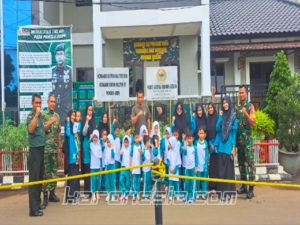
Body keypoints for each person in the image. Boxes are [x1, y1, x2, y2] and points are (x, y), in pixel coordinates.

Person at [27, 93, 46, 217]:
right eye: (36, 103)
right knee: (34, 181)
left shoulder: (38, 117)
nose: (38, 105)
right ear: (32, 104)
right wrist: (37, 114)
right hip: (34, 152)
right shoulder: (32, 116)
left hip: (41, 151)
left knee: (39, 180)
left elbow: (41, 130)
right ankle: (33, 210)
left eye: (40, 102)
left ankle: (37, 204)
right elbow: (31, 129)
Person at [235, 86, 256, 199]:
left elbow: (253, 123)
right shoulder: (238, 108)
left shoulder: (250, 107)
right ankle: (244, 187)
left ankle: (251, 189)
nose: (241, 94)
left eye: (242, 92)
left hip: (248, 143)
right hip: (239, 143)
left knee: (250, 166)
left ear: (246, 94)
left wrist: (246, 114)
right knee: (242, 165)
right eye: (240, 93)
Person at [215, 96, 237, 202]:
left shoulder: (233, 118)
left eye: (226, 102)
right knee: (221, 172)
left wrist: (233, 148)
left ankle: (228, 193)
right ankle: (221, 193)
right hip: (221, 148)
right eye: (223, 103)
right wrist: (220, 117)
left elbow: (233, 134)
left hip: (228, 148)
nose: (225, 105)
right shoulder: (222, 116)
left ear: (229, 103)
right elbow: (217, 129)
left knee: (228, 172)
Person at [41, 94, 61, 208]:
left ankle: (52, 194)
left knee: (54, 171)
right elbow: (42, 129)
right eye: (51, 101)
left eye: (54, 102)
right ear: (48, 102)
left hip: (54, 149)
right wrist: (51, 121)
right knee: (45, 173)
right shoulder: (43, 115)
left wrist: (59, 147)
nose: (53, 103)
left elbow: (58, 132)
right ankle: (44, 197)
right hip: (46, 149)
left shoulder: (57, 116)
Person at [51, 43, 72, 125]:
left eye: (61, 54)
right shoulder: (51, 71)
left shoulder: (70, 71)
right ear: (55, 56)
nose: (59, 57)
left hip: (66, 108)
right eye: (57, 54)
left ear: (65, 55)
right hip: (54, 108)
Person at [64, 110, 80, 203]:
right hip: (70, 158)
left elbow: (77, 143)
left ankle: (75, 195)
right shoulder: (68, 129)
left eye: (74, 115)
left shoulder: (75, 129)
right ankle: (70, 197)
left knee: (75, 178)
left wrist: (78, 156)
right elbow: (67, 134)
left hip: (75, 157)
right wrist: (69, 122)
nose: (74, 117)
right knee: (71, 177)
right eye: (72, 115)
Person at [81, 104, 96, 198]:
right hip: (86, 147)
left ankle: (93, 191)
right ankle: (87, 192)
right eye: (89, 110)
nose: (90, 112)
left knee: (92, 169)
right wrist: (86, 122)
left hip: (93, 148)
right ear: (86, 111)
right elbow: (83, 133)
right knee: (87, 169)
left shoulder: (93, 121)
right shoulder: (84, 120)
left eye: (91, 110)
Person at [207, 101, 219, 193]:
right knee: (211, 166)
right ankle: (211, 186)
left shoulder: (217, 117)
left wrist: (214, 145)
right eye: (209, 108)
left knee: (216, 166)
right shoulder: (208, 119)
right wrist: (210, 145)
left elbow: (218, 132)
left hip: (216, 145)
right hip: (210, 144)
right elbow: (208, 133)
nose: (210, 109)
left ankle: (217, 186)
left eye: (211, 108)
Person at [182, 129, 198, 204]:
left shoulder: (194, 147)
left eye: (190, 138)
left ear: (193, 139)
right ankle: (185, 195)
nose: (189, 140)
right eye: (188, 138)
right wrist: (185, 144)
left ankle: (191, 196)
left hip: (192, 168)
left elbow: (196, 158)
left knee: (192, 183)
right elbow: (184, 153)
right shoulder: (186, 147)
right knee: (186, 183)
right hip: (187, 168)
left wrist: (196, 167)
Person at [87, 130, 102, 202]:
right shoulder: (91, 145)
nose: (95, 139)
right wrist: (89, 139)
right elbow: (87, 146)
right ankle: (93, 194)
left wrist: (101, 166)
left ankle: (97, 193)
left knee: (97, 180)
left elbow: (101, 156)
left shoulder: (99, 145)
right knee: (93, 180)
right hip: (93, 166)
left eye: (96, 137)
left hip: (98, 166)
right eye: (94, 137)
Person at [195, 126, 209, 200]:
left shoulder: (205, 143)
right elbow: (195, 155)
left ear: (204, 134)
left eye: (202, 133)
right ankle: (197, 193)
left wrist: (205, 164)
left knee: (204, 180)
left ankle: (204, 193)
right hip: (198, 166)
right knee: (198, 180)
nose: (201, 135)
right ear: (198, 134)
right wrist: (196, 165)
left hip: (204, 165)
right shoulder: (196, 143)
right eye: (200, 133)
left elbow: (206, 154)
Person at [167, 136, 181, 202]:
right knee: (171, 184)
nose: (169, 145)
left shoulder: (177, 152)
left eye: (170, 144)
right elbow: (168, 160)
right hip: (170, 171)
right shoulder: (169, 152)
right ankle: (170, 195)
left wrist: (174, 170)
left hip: (175, 172)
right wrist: (170, 167)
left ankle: (177, 195)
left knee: (176, 184)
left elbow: (178, 163)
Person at [130, 131, 142, 201]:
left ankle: (138, 193)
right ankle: (134, 194)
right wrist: (131, 166)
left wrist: (140, 151)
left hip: (138, 167)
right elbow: (131, 157)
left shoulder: (140, 146)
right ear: (134, 139)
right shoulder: (133, 147)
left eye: (138, 137)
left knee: (138, 180)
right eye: (136, 138)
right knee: (134, 181)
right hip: (134, 167)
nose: (137, 139)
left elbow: (141, 155)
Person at [104, 134, 116, 202]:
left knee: (112, 181)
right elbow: (105, 158)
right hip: (107, 166)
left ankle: (113, 195)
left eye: (109, 142)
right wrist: (105, 167)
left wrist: (111, 148)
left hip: (112, 166)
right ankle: (108, 194)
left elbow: (113, 155)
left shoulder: (113, 147)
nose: (108, 143)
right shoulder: (106, 148)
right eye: (107, 142)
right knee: (107, 181)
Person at [119, 135, 131, 200]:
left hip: (128, 168)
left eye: (127, 142)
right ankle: (121, 193)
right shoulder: (122, 149)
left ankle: (126, 194)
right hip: (123, 167)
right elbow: (120, 159)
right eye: (125, 142)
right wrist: (121, 155)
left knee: (127, 181)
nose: (126, 144)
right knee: (121, 180)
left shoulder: (130, 149)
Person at [141, 135, 152, 200]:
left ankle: (149, 194)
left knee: (149, 182)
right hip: (145, 170)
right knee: (145, 182)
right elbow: (142, 159)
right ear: (146, 142)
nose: (150, 143)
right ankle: (144, 195)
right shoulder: (143, 150)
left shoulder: (149, 150)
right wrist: (142, 153)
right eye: (149, 142)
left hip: (149, 169)